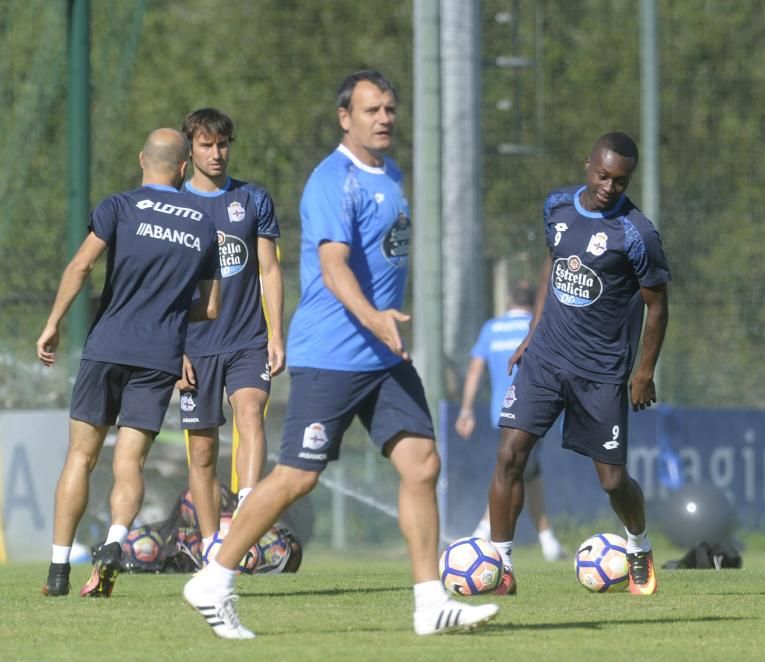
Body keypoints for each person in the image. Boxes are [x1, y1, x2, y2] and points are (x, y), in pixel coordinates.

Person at [182, 70, 498, 639]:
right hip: (332, 354)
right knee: (297, 478)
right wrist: (375, 316)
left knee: (423, 463)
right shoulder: (333, 181)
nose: (384, 118)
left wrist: (383, 328)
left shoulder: (392, 174)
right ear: (344, 117)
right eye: (371, 109)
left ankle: (430, 602)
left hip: (382, 357)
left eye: (390, 109)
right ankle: (214, 578)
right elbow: (332, 266)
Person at [37, 128, 221, 598]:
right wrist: (172, 311)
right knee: (130, 462)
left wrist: (54, 323)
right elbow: (211, 307)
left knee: (81, 456)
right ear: (184, 168)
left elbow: (80, 267)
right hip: (159, 358)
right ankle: (115, 542)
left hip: (107, 347)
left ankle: (58, 571)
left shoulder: (118, 206)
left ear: (144, 160)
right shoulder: (203, 224)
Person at [488, 132, 670, 596]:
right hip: (545, 359)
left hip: (601, 373)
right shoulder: (557, 206)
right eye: (603, 175)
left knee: (612, 482)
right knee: (510, 456)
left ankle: (638, 545)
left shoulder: (637, 234)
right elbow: (555, 263)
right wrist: (532, 333)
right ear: (588, 164)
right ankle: (501, 566)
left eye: (621, 181)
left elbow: (657, 306)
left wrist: (644, 372)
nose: (610, 187)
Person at [176, 108, 284, 563]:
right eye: (206, 145)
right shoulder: (173, 206)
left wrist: (277, 333)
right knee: (202, 453)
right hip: (194, 348)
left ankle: (245, 513)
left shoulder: (253, 199)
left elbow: (270, 268)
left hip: (247, 340)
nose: (216, 153)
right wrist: (172, 349)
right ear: (190, 150)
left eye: (222, 145)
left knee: (251, 412)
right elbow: (165, 286)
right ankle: (209, 544)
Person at [455, 281, 564, 561]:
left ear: (508, 300)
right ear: (534, 301)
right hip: (534, 410)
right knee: (517, 470)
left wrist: (466, 410)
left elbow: (474, 368)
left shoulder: (492, 328)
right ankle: (486, 532)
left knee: (523, 470)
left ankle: (545, 538)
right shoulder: (540, 324)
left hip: (499, 413)